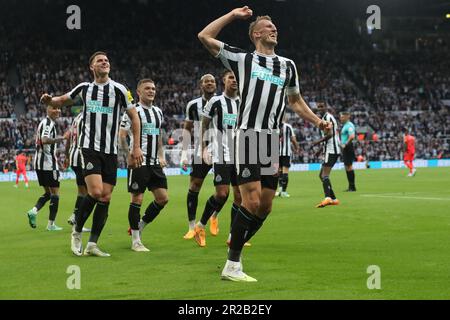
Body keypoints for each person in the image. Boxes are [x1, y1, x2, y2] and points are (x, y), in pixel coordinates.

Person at [198, 7, 331, 282]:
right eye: (269, 27)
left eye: (275, 27)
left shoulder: (287, 66)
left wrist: (318, 122)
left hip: (271, 140)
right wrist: (233, 16)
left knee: (266, 206)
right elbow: (204, 36)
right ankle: (232, 265)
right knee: (252, 199)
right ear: (256, 34)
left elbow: (295, 101)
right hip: (247, 136)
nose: (274, 30)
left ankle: (236, 238)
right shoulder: (243, 59)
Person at [40, 51, 143, 257]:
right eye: (100, 60)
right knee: (95, 192)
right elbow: (62, 100)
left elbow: (135, 118)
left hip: (110, 151)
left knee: (105, 197)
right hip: (90, 148)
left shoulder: (121, 90)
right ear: (92, 67)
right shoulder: (85, 89)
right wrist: (49, 99)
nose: (104, 62)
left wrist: (136, 147)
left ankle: (93, 244)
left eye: (107, 60)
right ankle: (77, 231)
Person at [193, 70, 244, 247]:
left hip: (239, 156)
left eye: (236, 78)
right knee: (222, 194)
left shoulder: (243, 102)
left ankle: (233, 236)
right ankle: (201, 225)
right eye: (231, 78)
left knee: (239, 197)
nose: (234, 81)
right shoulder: (215, 102)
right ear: (223, 81)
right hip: (221, 154)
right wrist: (204, 147)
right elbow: (204, 125)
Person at [119, 79, 169, 252]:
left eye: (153, 88)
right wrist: (129, 155)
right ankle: (135, 241)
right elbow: (122, 135)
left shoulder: (158, 112)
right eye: (147, 88)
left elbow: (159, 137)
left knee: (163, 199)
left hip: (154, 163)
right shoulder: (133, 112)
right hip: (139, 162)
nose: (151, 91)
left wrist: (161, 156)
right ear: (138, 92)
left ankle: (140, 225)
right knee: (137, 199)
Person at [180, 74, 218, 240]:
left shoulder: (223, 102)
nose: (209, 83)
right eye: (206, 81)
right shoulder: (193, 105)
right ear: (200, 85)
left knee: (224, 190)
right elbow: (187, 129)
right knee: (195, 185)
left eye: (212, 81)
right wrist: (184, 153)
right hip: (200, 150)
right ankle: (191, 226)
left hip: (223, 149)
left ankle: (214, 217)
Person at [26, 105, 66, 230]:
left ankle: (34, 210)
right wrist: (60, 139)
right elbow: (44, 139)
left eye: (58, 108)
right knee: (55, 194)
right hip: (48, 165)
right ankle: (51, 224)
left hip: (39, 163)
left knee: (48, 193)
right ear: (48, 110)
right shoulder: (48, 123)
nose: (58, 110)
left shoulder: (43, 122)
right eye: (54, 108)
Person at [312, 102, 340, 208]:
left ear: (326, 107)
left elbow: (331, 134)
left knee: (325, 175)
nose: (319, 109)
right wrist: (319, 149)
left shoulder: (328, 117)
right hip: (328, 149)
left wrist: (317, 142)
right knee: (321, 175)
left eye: (321, 107)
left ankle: (327, 198)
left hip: (332, 150)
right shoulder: (323, 118)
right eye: (318, 107)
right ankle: (333, 199)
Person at [65, 112, 89, 228]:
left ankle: (75, 216)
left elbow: (69, 137)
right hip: (82, 157)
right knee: (89, 192)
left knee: (82, 191)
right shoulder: (88, 116)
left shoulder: (77, 117)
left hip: (73, 156)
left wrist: (66, 155)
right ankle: (78, 220)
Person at [275, 116, 299, 198]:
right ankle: (283, 192)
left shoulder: (274, 125)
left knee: (278, 172)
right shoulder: (288, 127)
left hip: (275, 153)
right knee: (285, 171)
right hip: (286, 153)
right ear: (284, 118)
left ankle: (280, 190)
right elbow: (293, 139)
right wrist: (297, 148)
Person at [340, 111, 357, 191]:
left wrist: (345, 144)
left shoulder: (349, 125)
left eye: (342, 117)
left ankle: (352, 187)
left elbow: (352, 136)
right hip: (346, 147)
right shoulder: (345, 126)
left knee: (349, 166)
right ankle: (350, 186)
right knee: (347, 166)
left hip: (348, 147)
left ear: (347, 117)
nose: (341, 118)